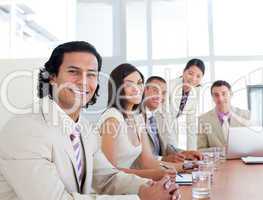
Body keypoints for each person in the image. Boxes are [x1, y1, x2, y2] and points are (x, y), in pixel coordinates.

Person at [0, 41, 180, 200]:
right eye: (73, 72)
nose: (84, 81)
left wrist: (150, 188)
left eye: (92, 74)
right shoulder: (24, 129)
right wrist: (141, 198)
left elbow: (107, 177)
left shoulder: (84, 128)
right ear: (52, 77)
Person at [98, 64, 187, 182]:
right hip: (109, 188)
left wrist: (186, 167)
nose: (137, 88)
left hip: (127, 182)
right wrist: (153, 175)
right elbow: (109, 173)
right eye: (129, 84)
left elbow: (148, 162)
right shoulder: (112, 119)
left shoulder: (138, 119)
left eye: (139, 83)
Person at [143, 76, 203, 162]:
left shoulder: (159, 117)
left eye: (163, 93)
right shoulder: (136, 117)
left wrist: (184, 153)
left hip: (162, 168)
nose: (159, 96)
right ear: (145, 90)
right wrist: (163, 159)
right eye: (155, 90)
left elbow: (166, 147)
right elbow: (138, 155)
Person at [197, 80, 250, 149]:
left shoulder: (246, 115)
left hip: (241, 159)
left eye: (224, 94)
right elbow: (201, 149)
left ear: (231, 94)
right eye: (216, 95)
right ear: (212, 98)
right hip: (217, 159)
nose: (220, 98)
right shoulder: (203, 119)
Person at [167, 58, 205, 150]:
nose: (193, 79)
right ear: (184, 72)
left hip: (171, 125)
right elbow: (165, 117)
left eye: (198, 76)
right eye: (190, 73)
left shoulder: (196, 91)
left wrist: (192, 152)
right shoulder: (170, 86)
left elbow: (191, 121)